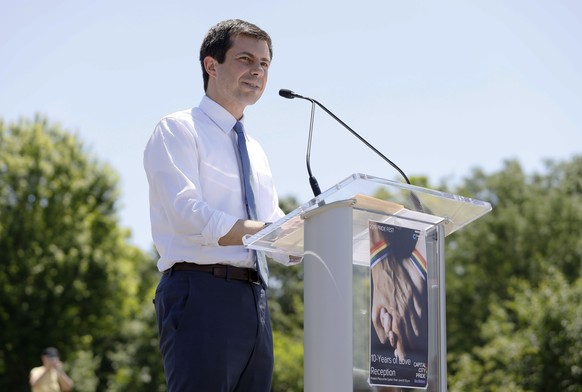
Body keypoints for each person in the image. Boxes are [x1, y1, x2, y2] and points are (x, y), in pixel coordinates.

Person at [143, 19, 299, 391]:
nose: (257, 71)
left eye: (264, 64)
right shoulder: (178, 129)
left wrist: (316, 238)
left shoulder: (256, 151)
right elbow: (187, 215)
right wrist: (266, 233)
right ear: (211, 65)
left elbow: (272, 220)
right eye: (246, 59)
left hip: (255, 300)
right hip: (201, 293)